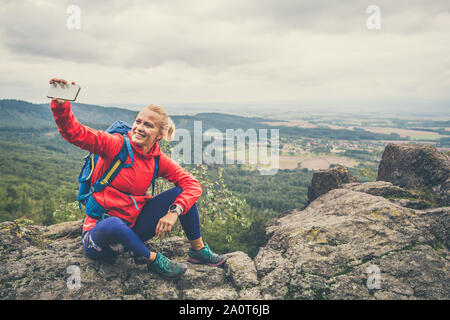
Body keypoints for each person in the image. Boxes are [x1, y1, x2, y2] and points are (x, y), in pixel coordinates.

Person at [49, 78, 227, 280]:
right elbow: (76, 133)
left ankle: (198, 250)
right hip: (100, 237)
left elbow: (192, 185)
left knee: (182, 195)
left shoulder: (157, 160)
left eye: (148, 125)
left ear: (159, 134)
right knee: (113, 223)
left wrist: (174, 211)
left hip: (132, 230)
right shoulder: (115, 145)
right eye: (138, 121)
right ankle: (152, 259)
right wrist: (61, 105)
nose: (139, 127)